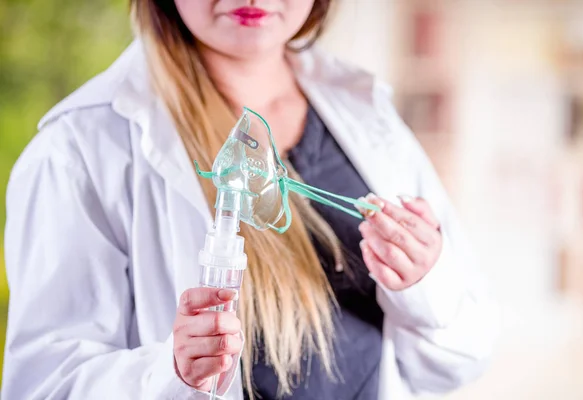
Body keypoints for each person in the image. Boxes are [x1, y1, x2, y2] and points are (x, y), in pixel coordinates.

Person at [2, 1, 498, 399]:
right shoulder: (81, 150)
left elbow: (461, 361)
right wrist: (169, 375)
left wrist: (425, 286)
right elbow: (43, 386)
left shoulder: (368, 116)